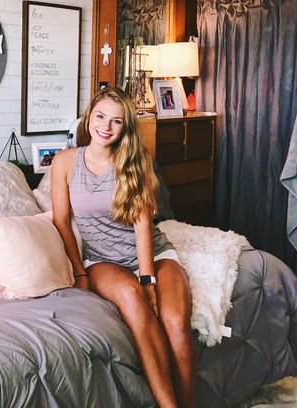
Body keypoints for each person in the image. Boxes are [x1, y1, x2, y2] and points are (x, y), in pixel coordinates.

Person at [51, 87, 195, 408]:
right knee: (132, 299)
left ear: (124, 127)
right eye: (100, 117)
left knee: (175, 324)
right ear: (89, 118)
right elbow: (61, 221)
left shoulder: (134, 162)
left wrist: (149, 282)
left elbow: (143, 225)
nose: (106, 126)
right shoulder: (64, 163)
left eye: (116, 121)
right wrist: (79, 271)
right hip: (103, 260)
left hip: (153, 254)